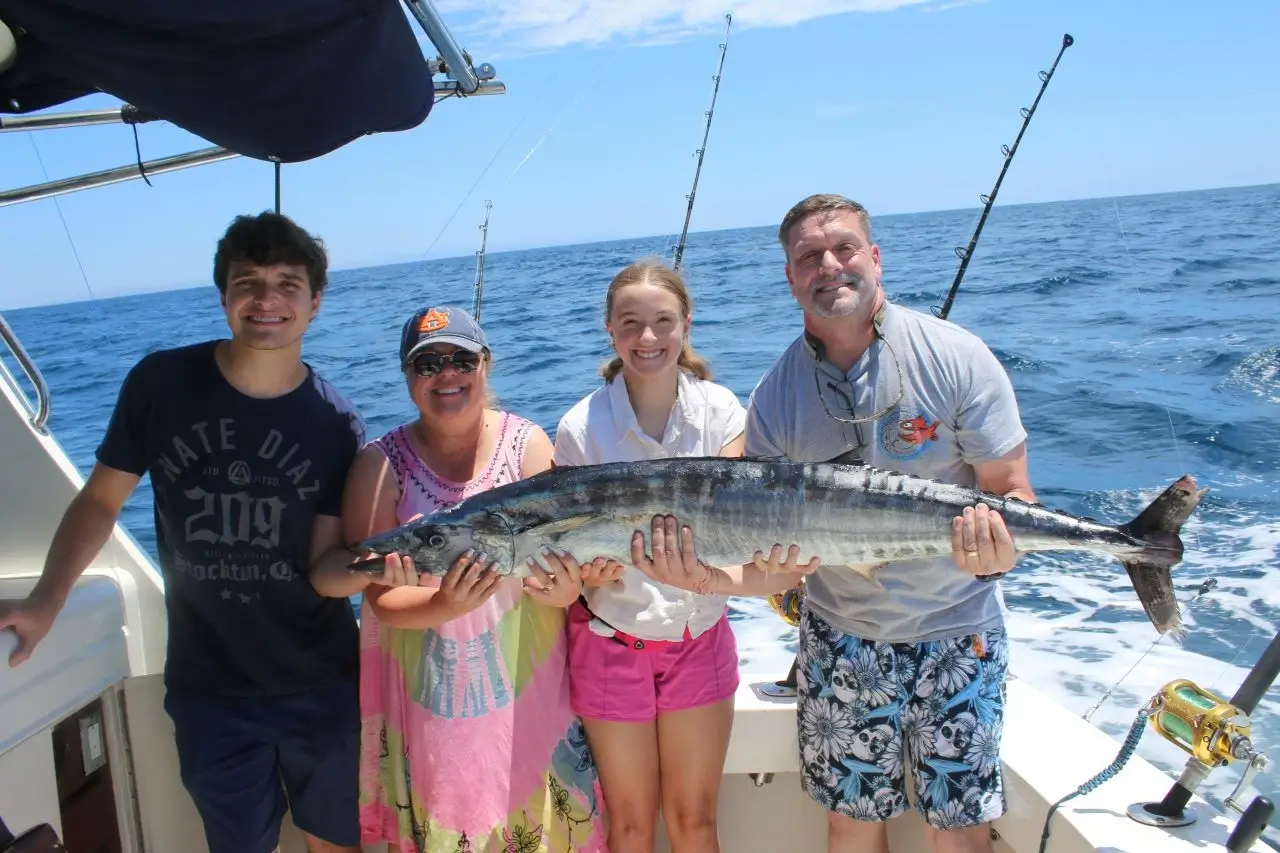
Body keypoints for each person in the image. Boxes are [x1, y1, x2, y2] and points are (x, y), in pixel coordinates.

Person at [628, 194, 1035, 853]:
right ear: (791, 277)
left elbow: (1012, 494)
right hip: (842, 638)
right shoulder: (777, 396)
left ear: (875, 257)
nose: (830, 265)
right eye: (809, 256)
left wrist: (995, 553)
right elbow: (778, 561)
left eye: (844, 248)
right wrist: (704, 575)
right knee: (848, 826)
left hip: (959, 633)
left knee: (958, 829)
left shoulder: (958, 356)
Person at [0, 212, 367, 853]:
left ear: (316, 302)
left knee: (333, 843)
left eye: (288, 282)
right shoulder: (161, 384)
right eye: (246, 281)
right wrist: (43, 604)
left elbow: (324, 563)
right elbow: (101, 502)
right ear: (222, 296)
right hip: (210, 690)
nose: (267, 299)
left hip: (323, 683)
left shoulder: (336, 422)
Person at [309, 304, 609, 853]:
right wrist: (445, 603)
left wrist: (567, 588)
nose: (446, 374)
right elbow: (378, 598)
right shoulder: (380, 465)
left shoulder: (528, 444)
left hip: (531, 688)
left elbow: (563, 579)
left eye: (460, 359)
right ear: (406, 377)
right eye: (427, 365)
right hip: (436, 707)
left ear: (485, 365)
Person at [552, 258, 799, 853]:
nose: (647, 337)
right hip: (610, 644)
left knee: (695, 823)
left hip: (699, 642)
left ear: (686, 325)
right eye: (630, 322)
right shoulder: (579, 429)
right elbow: (566, 561)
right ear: (609, 330)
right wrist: (582, 572)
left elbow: (743, 539)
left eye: (663, 321)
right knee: (630, 828)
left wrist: (724, 575)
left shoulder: (720, 411)